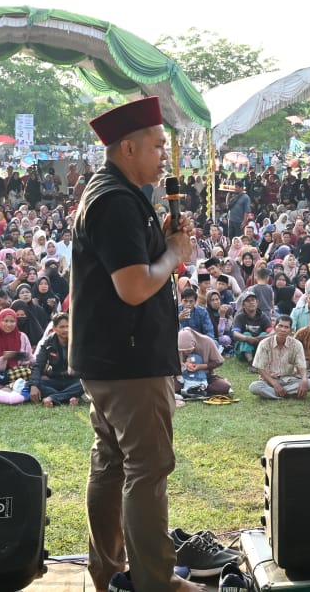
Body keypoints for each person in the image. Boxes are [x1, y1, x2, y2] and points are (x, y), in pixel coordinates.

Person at [68, 97, 204, 592]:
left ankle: (108, 570)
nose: (165, 155)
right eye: (157, 145)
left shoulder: (118, 194)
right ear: (127, 147)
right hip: (129, 364)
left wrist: (164, 242)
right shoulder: (115, 201)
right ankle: (154, 581)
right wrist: (173, 253)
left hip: (109, 358)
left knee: (112, 464)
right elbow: (133, 287)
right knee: (147, 470)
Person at [249, 315, 310, 400]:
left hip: (289, 380)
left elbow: (301, 365)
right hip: (269, 381)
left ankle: (276, 394)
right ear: (275, 327)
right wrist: (275, 384)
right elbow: (260, 368)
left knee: (309, 383)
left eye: (286, 327)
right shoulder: (264, 343)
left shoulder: (296, 344)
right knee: (254, 387)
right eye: (280, 326)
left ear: (290, 330)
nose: (283, 329)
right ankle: (287, 394)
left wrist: (304, 380)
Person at [30, 312, 83, 407]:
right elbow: (38, 365)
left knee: (84, 383)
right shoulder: (47, 343)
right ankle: (69, 397)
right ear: (54, 328)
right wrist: (33, 385)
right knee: (32, 384)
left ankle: (53, 398)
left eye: (68, 326)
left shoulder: (77, 341)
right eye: (62, 327)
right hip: (55, 379)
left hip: (73, 379)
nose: (66, 330)